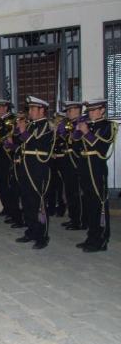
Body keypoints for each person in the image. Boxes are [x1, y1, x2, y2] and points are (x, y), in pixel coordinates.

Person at [73, 99, 117, 252]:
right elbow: (76, 145)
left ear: (102, 110)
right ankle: (91, 236)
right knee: (90, 205)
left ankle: (101, 239)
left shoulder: (108, 126)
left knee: (100, 205)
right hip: (85, 167)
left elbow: (101, 147)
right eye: (89, 110)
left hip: (97, 169)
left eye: (93, 110)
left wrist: (86, 132)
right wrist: (78, 131)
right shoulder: (89, 125)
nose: (90, 113)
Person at [15, 97, 55, 249]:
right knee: (27, 202)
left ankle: (42, 236)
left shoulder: (47, 125)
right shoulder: (31, 125)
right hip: (26, 167)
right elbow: (21, 143)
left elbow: (39, 144)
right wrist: (18, 132)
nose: (29, 111)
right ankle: (31, 230)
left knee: (39, 203)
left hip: (38, 169)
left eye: (33, 109)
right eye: (29, 108)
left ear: (42, 110)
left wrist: (24, 132)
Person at [56, 101, 86, 230]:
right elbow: (61, 138)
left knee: (77, 192)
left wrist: (74, 129)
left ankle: (81, 221)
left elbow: (77, 139)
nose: (68, 112)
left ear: (78, 110)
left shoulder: (83, 122)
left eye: (71, 110)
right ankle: (73, 218)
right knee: (69, 191)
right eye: (67, 110)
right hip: (67, 160)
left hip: (77, 160)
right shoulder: (67, 123)